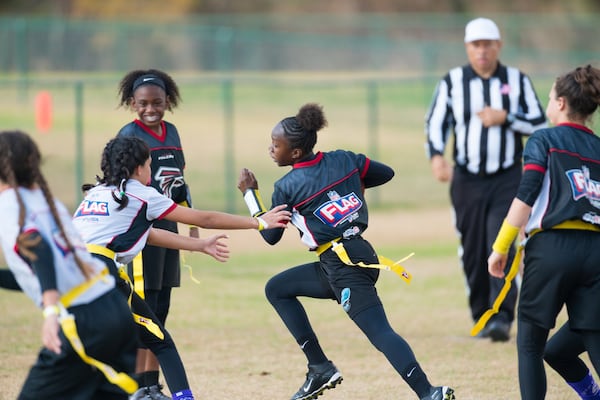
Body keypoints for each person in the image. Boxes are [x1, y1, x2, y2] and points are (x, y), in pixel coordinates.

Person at [238, 103, 455, 400]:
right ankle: (319, 368)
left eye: (276, 145)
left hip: (343, 267)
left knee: (380, 332)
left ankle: (429, 392)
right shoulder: (344, 159)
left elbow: (271, 236)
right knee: (277, 289)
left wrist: (250, 195)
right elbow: (386, 173)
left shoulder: (286, 187)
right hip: (354, 256)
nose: (271, 149)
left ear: (296, 153)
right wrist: (353, 187)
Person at [73, 135, 290, 400]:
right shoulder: (141, 194)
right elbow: (204, 218)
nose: (150, 171)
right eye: (150, 165)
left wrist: (198, 245)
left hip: (70, 273)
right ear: (139, 168)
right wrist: (260, 222)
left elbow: (147, 234)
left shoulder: (98, 192)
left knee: (94, 349)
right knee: (160, 343)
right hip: (101, 274)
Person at [424, 17, 547, 341]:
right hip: (466, 177)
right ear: (468, 48)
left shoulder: (517, 81)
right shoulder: (451, 82)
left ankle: (502, 317)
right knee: (472, 247)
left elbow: (539, 124)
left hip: (507, 177)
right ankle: (482, 314)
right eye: (475, 45)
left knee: (502, 241)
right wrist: (436, 156)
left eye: (487, 45)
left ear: (498, 46)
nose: (482, 51)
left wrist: (506, 118)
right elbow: (436, 124)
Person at [487, 64, 600, 399]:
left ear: (562, 103)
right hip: (595, 249)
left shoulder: (544, 139)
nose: (548, 104)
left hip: (551, 248)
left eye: (550, 98)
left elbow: (527, 195)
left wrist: (501, 247)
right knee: (594, 341)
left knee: (531, 346)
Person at [0, 130, 138, 399]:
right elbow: (42, 272)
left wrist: (50, 312)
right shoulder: (44, 200)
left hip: (85, 320)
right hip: (112, 309)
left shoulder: (9, 205)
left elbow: (39, 249)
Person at [116, 68, 197, 399]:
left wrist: (193, 225)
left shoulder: (173, 132)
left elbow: (180, 183)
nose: (151, 109)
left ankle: (151, 385)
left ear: (168, 101)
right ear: (132, 103)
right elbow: (117, 185)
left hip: (169, 226)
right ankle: (137, 386)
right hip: (142, 231)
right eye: (144, 103)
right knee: (143, 311)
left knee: (160, 308)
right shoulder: (128, 135)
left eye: (158, 103)